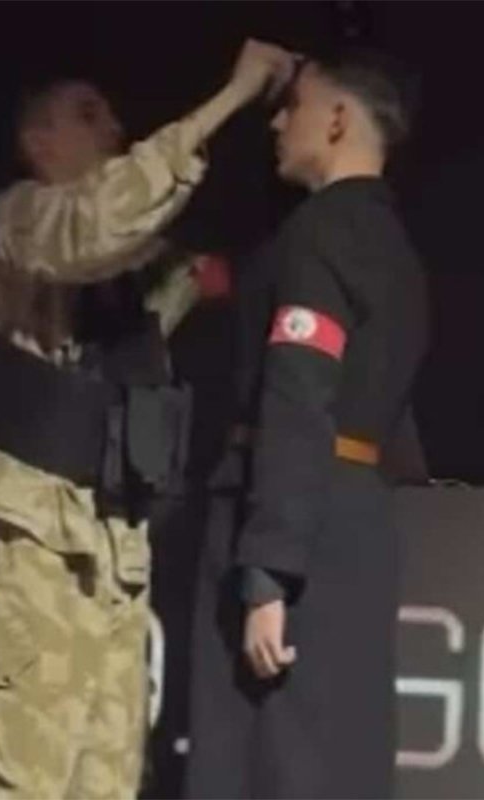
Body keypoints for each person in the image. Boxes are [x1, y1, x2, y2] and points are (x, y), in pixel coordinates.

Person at [0, 39, 296, 799]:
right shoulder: (19, 219)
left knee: (107, 779)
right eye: (86, 115)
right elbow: (99, 225)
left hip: (114, 539)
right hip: (39, 536)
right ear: (38, 141)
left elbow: (189, 269)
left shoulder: (133, 270)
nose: (112, 129)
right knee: (17, 775)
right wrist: (230, 98)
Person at [185, 48, 428, 799]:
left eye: (294, 106)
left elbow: (298, 393)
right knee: (337, 760)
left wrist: (269, 574)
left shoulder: (321, 233)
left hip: (294, 526)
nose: (279, 123)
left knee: (270, 764)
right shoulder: (398, 248)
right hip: (355, 522)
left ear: (338, 119)